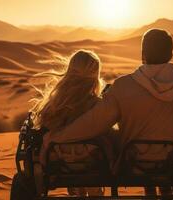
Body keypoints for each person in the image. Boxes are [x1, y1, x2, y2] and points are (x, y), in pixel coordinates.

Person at [43, 29, 173, 195]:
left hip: (132, 165)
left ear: (142, 55)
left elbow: (92, 124)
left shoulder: (123, 87)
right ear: (171, 54)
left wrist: (59, 137)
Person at [31, 50, 114, 197]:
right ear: (95, 74)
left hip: (59, 160)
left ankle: (78, 190)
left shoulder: (56, 103)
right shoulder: (97, 105)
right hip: (93, 161)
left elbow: (44, 125)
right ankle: (93, 192)